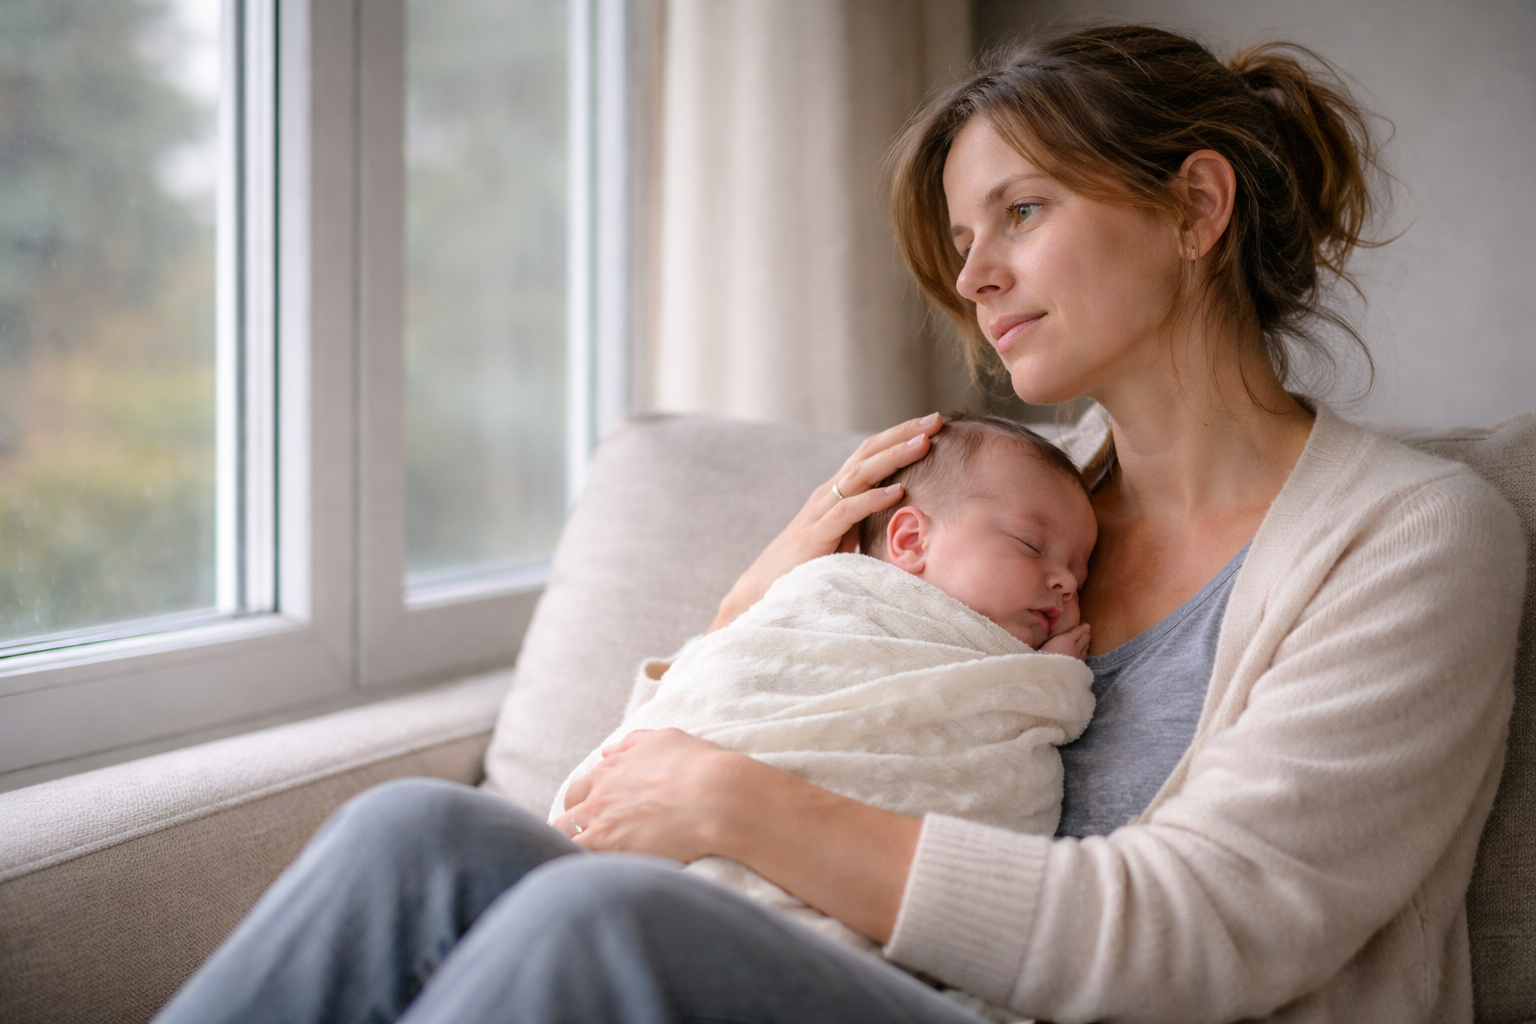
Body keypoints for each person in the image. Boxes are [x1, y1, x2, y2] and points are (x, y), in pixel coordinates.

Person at [152, 24, 1525, 1024]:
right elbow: (641, 795)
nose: (975, 279)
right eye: (960, 242)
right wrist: (755, 604)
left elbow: (1204, 933)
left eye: (1021, 214)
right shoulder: (996, 506)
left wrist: (742, 806)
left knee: (602, 923)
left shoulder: (1414, 539)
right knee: (416, 837)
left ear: (1197, 206)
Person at [548, 416, 1098, 960]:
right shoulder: (826, 600)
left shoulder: (1008, 674)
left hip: (762, 931)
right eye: (1031, 545)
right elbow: (710, 695)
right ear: (910, 540)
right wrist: (739, 610)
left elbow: (993, 761)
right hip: (645, 871)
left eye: (1080, 569)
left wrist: (1040, 684)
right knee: (460, 825)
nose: (1067, 580)